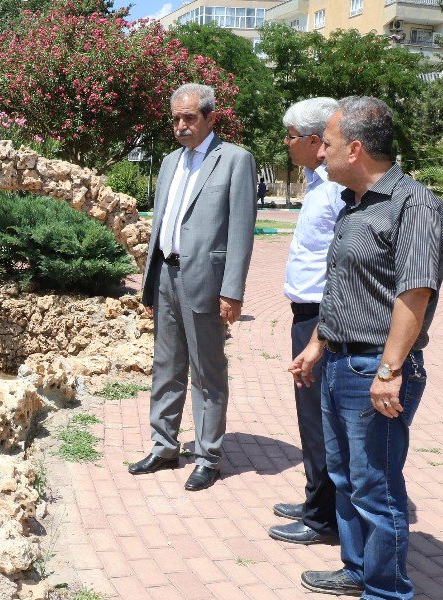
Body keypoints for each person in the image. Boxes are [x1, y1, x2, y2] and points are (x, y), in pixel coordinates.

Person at [290, 96, 443, 600]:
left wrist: (390, 369)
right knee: (346, 476)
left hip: (374, 372)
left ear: (355, 149)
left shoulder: (414, 204)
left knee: (376, 483)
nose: (322, 154)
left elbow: (415, 292)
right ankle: (357, 569)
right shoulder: (354, 202)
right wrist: (318, 343)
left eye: (329, 145)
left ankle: (388, 594)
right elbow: (342, 287)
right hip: (338, 362)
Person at [128, 83, 256, 491]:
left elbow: (241, 231)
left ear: (209, 117)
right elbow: (162, 224)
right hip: (165, 274)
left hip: (205, 280)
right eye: (176, 119)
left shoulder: (235, 160)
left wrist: (232, 291)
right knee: (166, 366)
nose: (181, 126)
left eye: (189, 118)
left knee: (207, 371)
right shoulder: (169, 162)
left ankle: (208, 455)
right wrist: (149, 282)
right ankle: (164, 446)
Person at [269, 98, 343, 545]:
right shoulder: (318, 182)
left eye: (293, 136)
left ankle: (323, 518)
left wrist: (319, 331)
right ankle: (317, 497)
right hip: (306, 315)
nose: (287, 144)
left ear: (317, 141)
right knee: (309, 414)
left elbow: (341, 264)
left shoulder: (336, 187)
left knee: (318, 420)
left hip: (322, 318)